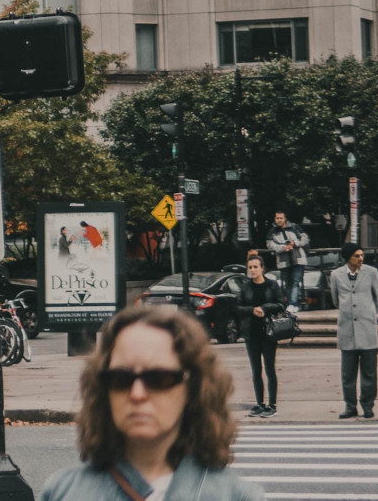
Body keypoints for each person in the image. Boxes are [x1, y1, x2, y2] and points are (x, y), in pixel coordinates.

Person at [38, 303, 262, 501]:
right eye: (120, 379)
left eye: (159, 379)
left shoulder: (236, 496)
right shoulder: (62, 492)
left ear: (193, 388)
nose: (137, 394)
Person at [330, 243, 378, 419]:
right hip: (347, 328)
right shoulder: (336, 275)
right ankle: (350, 405)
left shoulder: (371, 273)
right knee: (348, 373)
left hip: (367, 327)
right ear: (348, 258)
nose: (361, 258)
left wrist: (370, 314)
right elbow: (335, 299)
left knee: (369, 371)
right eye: (356, 256)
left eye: (362, 255)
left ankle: (368, 405)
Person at [239, 252, 286, 417]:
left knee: (269, 368)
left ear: (262, 268)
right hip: (251, 332)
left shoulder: (272, 285)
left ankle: (272, 404)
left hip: (268, 332)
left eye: (255, 267)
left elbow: (281, 305)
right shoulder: (245, 287)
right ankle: (259, 403)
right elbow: (237, 308)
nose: (252, 270)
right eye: (250, 267)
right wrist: (252, 310)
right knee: (255, 370)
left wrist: (265, 308)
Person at [266, 211, 308, 311]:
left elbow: (305, 238)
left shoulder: (294, 227)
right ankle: (292, 303)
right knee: (287, 282)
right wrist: (283, 247)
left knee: (295, 282)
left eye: (281, 218)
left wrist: (295, 243)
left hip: (297, 258)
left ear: (285, 219)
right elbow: (269, 244)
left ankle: (293, 303)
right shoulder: (272, 231)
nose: (279, 220)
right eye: (277, 218)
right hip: (283, 260)